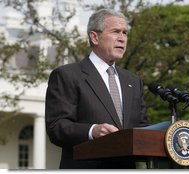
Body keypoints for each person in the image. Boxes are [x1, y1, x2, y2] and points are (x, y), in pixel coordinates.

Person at [45, 8, 148, 169]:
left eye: (125, 33)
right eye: (115, 32)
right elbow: (56, 127)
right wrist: (92, 131)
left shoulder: (133, 81)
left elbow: (141, 128)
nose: (122, 39)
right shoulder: (67, 75)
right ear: (94, 37)